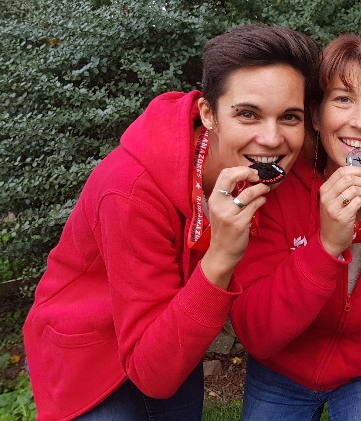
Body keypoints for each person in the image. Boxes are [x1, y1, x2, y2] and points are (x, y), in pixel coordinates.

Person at [22, 24, 320, 421]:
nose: (271, 138)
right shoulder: (130, 191)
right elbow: (154, 376)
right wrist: (221, 257)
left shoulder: (266, 165)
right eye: (247, 114)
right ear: (209, 114)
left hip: (174, 331)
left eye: (289, 117)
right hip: (90, 357)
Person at [229, 33, 361, 421]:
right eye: (343, 99)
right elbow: (258, 334)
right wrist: (326, 245)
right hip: (280, 369)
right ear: (316, 115)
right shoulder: (277, 188)